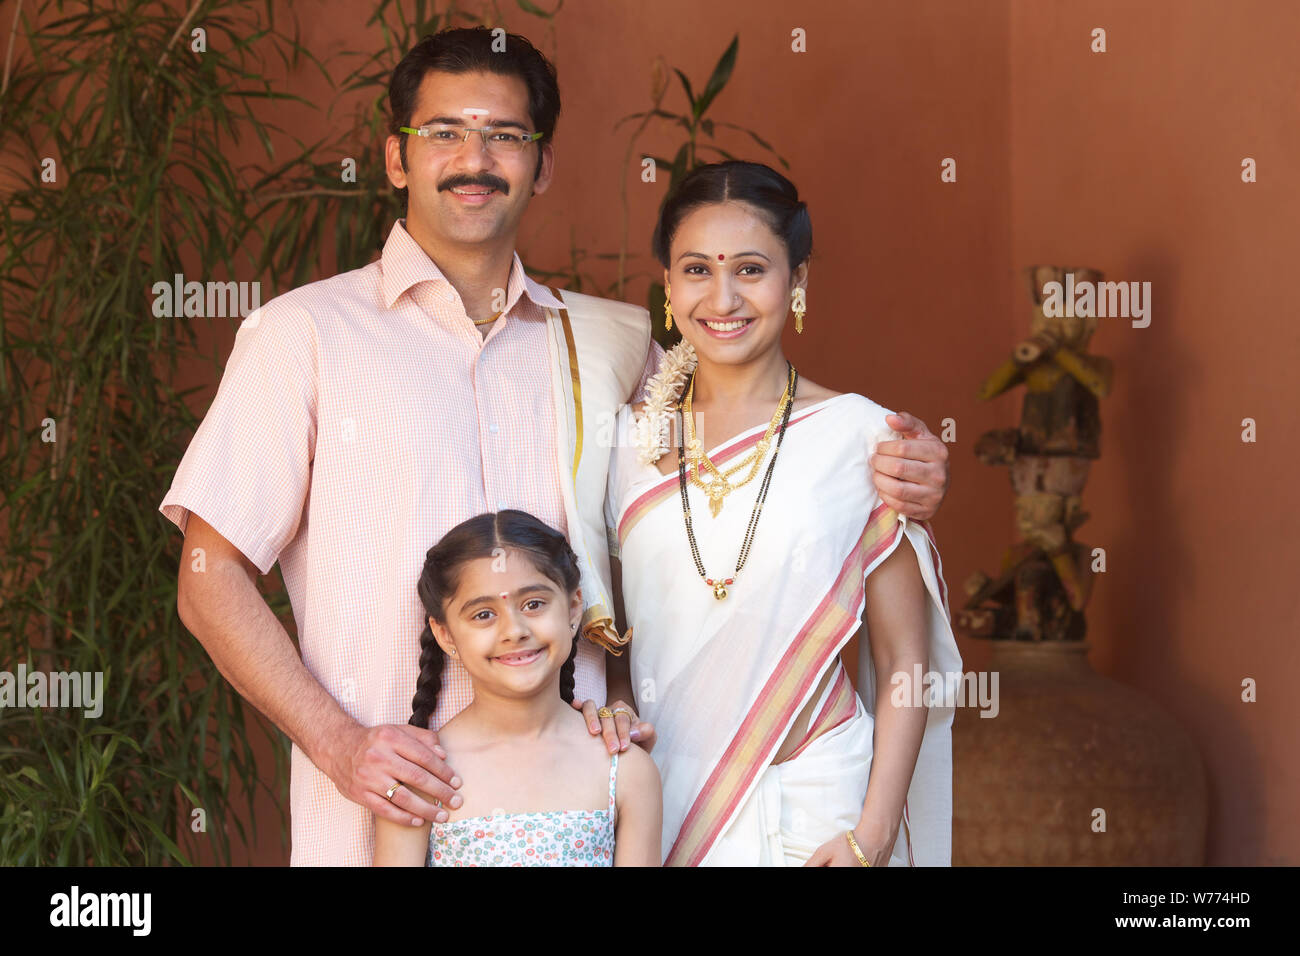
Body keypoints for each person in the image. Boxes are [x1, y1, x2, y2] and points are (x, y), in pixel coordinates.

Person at [160, 27, 949, 865]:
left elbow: (745, 488)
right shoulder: (304, 337)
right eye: (444, 133)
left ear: (543, 165)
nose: (475, 158)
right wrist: (340, 743)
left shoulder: (609, 346)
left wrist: (900, 469)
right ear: (396, 158)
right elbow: (208, 584)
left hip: (594, 826)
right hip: (381, 817)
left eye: (506, 135)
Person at [602, 160, 963, 866]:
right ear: (668, 289)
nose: (724, 296)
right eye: (697, 269)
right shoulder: (627, 446)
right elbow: (613, 633)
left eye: (752, 269)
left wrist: (875, 833)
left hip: (815, 814)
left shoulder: (861, 438)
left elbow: (902, 660)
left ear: (797, 284)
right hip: (663, 811)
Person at [372, 510, 661, 866]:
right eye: (483, 614)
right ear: (445, 634)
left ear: (573, 609)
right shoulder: (422, 776)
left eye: (534, 604)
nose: (515, 630)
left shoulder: (624, 769)